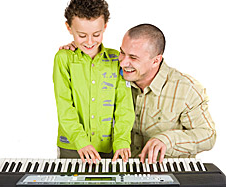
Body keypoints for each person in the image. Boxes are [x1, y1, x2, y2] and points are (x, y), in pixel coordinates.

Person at [61, 23, 216, 164]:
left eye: (133, 58)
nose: (122, 62)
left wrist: (167, 140)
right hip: (122, 171)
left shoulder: (187, 89)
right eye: (122, 53)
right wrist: (79, 51)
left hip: (166, 172)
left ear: (156, 60)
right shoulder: (113, 77)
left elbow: (208, 135)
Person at [53, 0, 135, 164]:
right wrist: (81, 141)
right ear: (69, 28)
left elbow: (124, 106)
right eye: (82, 35)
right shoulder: (63, 58)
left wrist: (122, 141)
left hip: (110, 148)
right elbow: (64, 106)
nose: (90, 42)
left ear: (104, 27)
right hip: (72, 147)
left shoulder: (116, 60)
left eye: (96, 34)